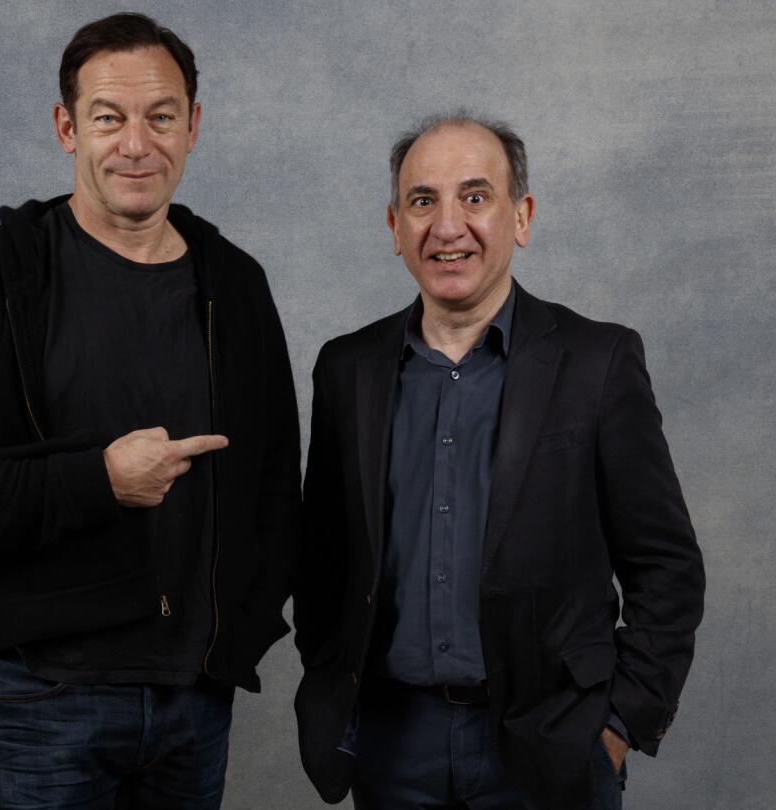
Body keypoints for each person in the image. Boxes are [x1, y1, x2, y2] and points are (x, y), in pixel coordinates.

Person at [0, 13, 299, 809]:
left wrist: (241, 629)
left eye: (161, 116)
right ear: (66, 127)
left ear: (194, 127)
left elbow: (277, 477)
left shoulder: (237, 284)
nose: (136, 143)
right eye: (109, 118)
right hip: (43, 696)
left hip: (195, 697)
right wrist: (96, 482)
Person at [292, 113, 705, 810]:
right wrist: (334, 685)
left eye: (475, 197)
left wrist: (617, 723)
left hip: (552, 743)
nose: (448, 226)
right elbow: (323, 562)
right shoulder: (348, 369)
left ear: (522, 216)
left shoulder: (597, 364)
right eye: (423, 201)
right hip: (392, 746)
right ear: (395, 227)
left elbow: (666, 566)